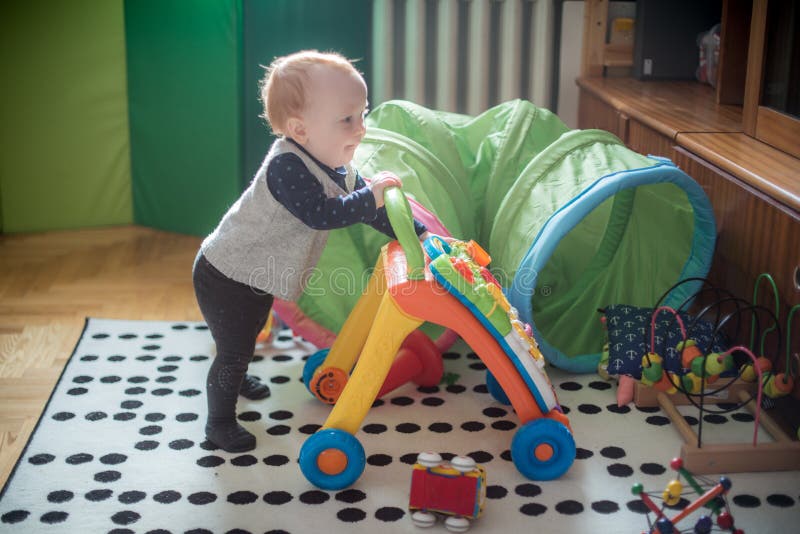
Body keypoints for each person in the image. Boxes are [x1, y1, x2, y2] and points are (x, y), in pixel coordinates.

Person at [192, 50, 431, 453]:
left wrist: (416, 234)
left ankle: (238, 372)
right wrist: (371, 196)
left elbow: (367, 209)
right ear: (300, 130)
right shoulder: (286, 166)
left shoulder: (335, 162)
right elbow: (321, 214)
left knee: (246, 336)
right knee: (233, 348)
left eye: (362, 114)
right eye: (347, 120)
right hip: (226, 273)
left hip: (256, 273)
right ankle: (218, 423)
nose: (361, 129)